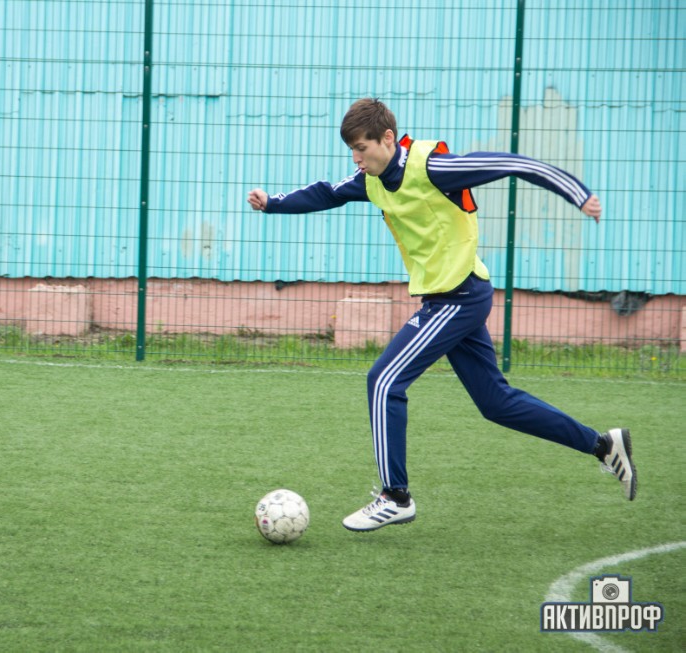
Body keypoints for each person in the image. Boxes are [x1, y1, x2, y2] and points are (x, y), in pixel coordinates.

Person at [247, 98, 636, 532]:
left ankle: (395, 496)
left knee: (384, 380)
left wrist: (578, 194)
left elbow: (514, 164)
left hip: (460, 297)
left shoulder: (434, 167)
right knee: (497, 404)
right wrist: (273, 202)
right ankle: (603, 445)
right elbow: (326, 193)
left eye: (362, 148)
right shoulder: (372, 178)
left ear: (388, 139)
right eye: (352, 151)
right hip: (447, 299)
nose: (356, 159)